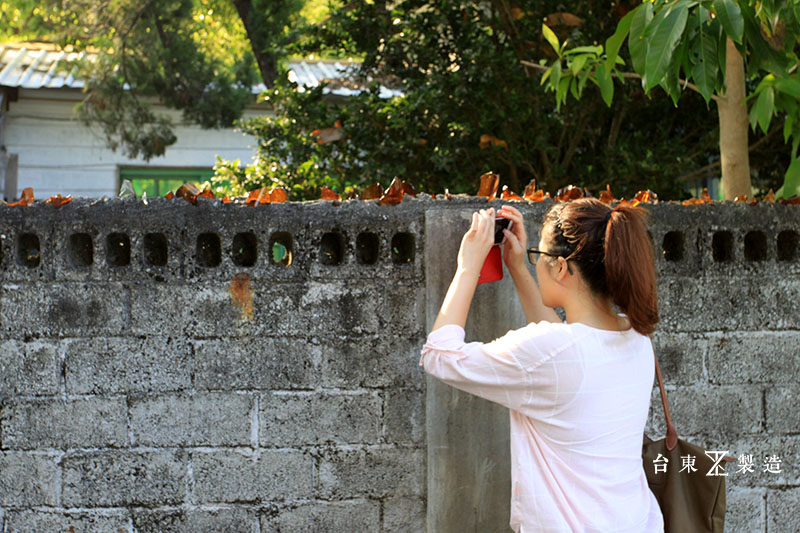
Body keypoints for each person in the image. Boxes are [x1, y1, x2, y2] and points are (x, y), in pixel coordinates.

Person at [419, 198, 664, 532]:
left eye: (539, 256)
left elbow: (440, 355)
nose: (536, 263)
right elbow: (563, 350)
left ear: (561, 267)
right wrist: (519, 268)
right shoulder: (635, 338)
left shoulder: (555, 352)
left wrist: (468, 266)